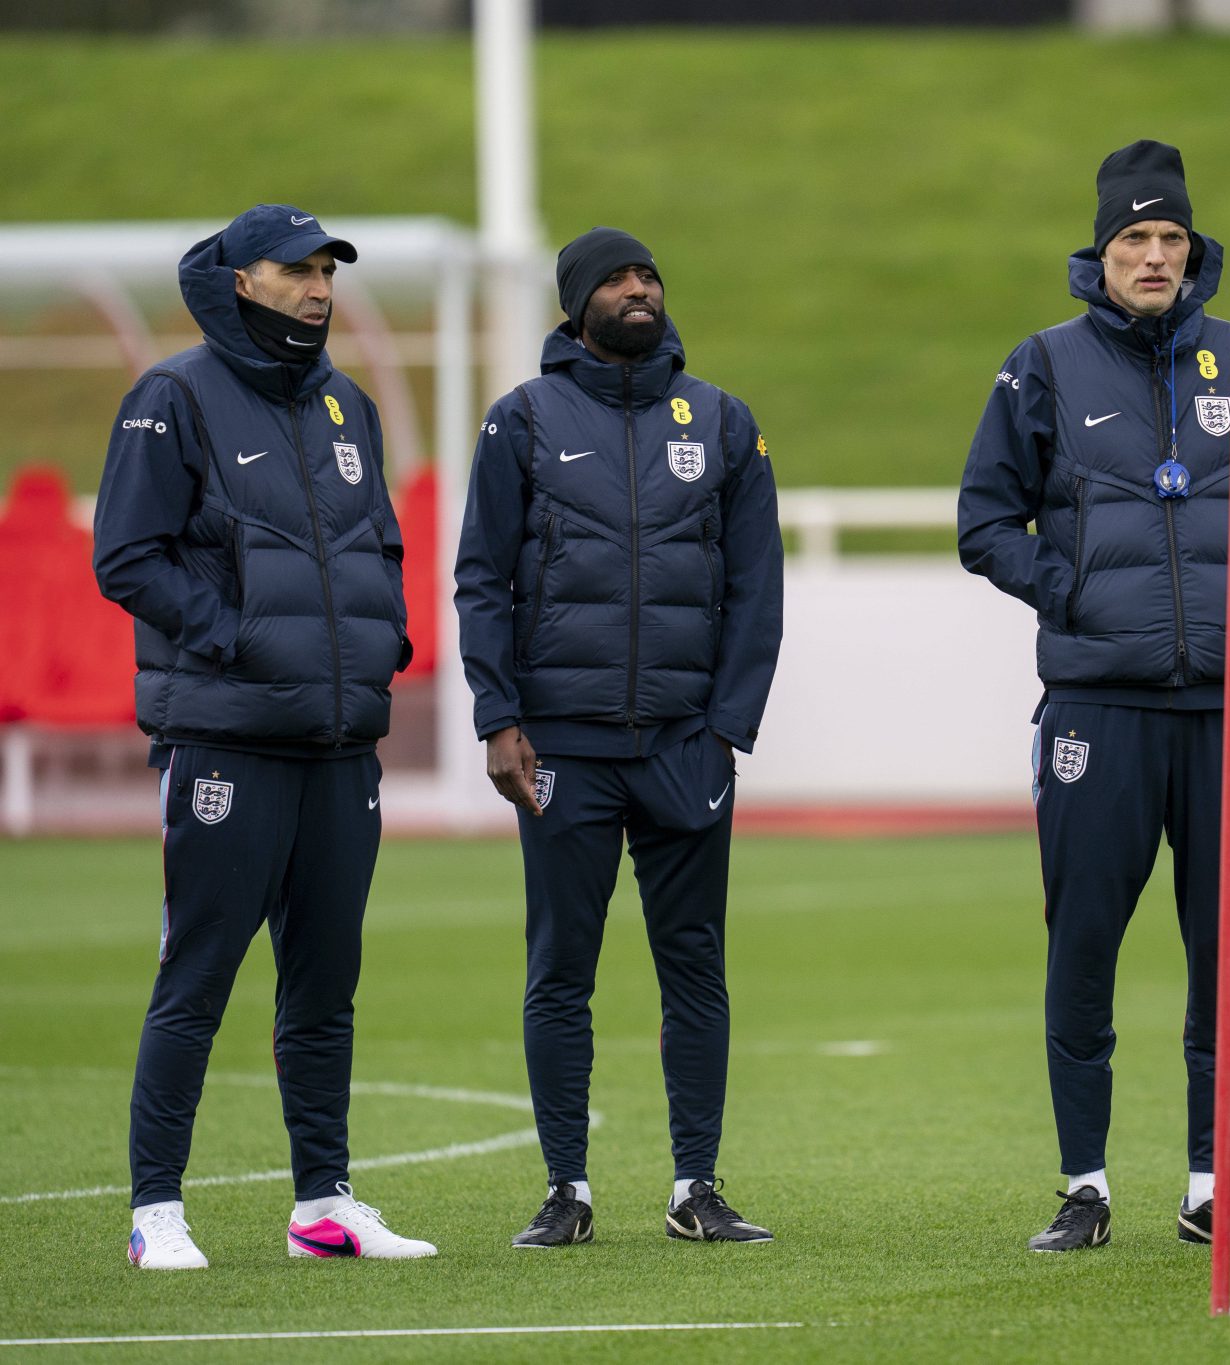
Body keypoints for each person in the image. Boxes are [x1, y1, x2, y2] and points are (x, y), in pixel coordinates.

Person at [958, 141, 1230, 1253]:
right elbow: (983, 521)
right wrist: (1067, 593)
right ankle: (1084, 1186)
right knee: (1084, 945)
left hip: (1228, 712)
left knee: (1224, 949)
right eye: (1134, 239)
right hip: (1097, 711)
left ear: (1192, 249)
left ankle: (1211, 1188)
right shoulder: (1042, 366)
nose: (1155, 256)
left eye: (1170, 238)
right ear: (1100, 253)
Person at [94, 204, 435, 1269]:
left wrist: (385, 641)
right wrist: (237, 641)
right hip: (228, 740)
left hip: (339, 744)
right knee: (197, 977)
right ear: (241, 280)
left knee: (326, 985)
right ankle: (157, 1212)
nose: (320, 286)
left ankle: (321, 1206)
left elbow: (378, 543)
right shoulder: (172, 395)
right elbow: (127, 557)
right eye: (297, 269)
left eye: (328, 269)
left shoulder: (349, 405)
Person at [455, 227, 784, 1250]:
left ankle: (697, 1186)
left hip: (686, 746)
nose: (639, 289)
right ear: (575, 304)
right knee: (562, 969)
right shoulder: (522, 421)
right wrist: (499, 720)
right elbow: (481, 578)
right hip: (561, 748)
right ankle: (567, 1189)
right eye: (616, 278)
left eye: (648, 275)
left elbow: (754, 587)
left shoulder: (722, 422)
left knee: (695, 966)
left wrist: (727, 727)